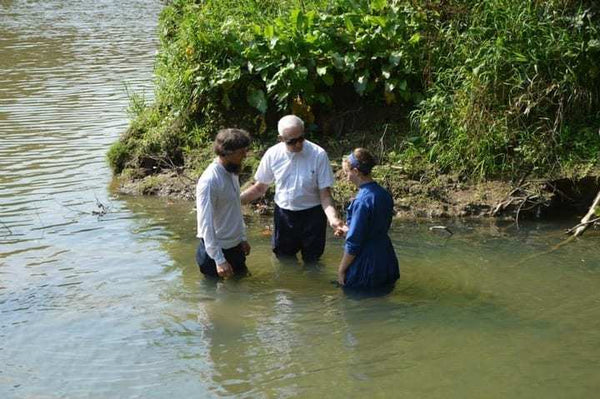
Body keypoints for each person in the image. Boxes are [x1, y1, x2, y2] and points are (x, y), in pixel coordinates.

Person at [241, 115, 344, 262]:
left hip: (313, 216)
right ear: (281, 138)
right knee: (284, 260)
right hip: (284, 215)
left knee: (313, 260)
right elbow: (259, 188)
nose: (298, 145)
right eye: (292, 141)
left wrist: (333, 219)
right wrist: (234, 201)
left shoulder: (318, 154)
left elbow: (325, 194)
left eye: (301, 138)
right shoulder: (272, 154)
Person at [337, 148, 400, 290]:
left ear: (356, 171)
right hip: (386, 258)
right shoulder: (383, 194)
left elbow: (354, 242)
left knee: (356, 302)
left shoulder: (361, 201)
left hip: (366, 264)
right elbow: (375, 226)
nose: (346, 177)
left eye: (347, 172)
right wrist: (348, 230)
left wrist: (341, 270)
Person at [196, 128, 252, 278]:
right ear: (227, 153)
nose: (245, 155)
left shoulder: (231, 171)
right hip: (214, 254)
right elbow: (205, 224)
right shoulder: (210, 181)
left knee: (243, 288)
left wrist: (242, 238)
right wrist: (219, 260)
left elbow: (234, 209)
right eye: (241, 152)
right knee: (212, 298)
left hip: (235, 247)